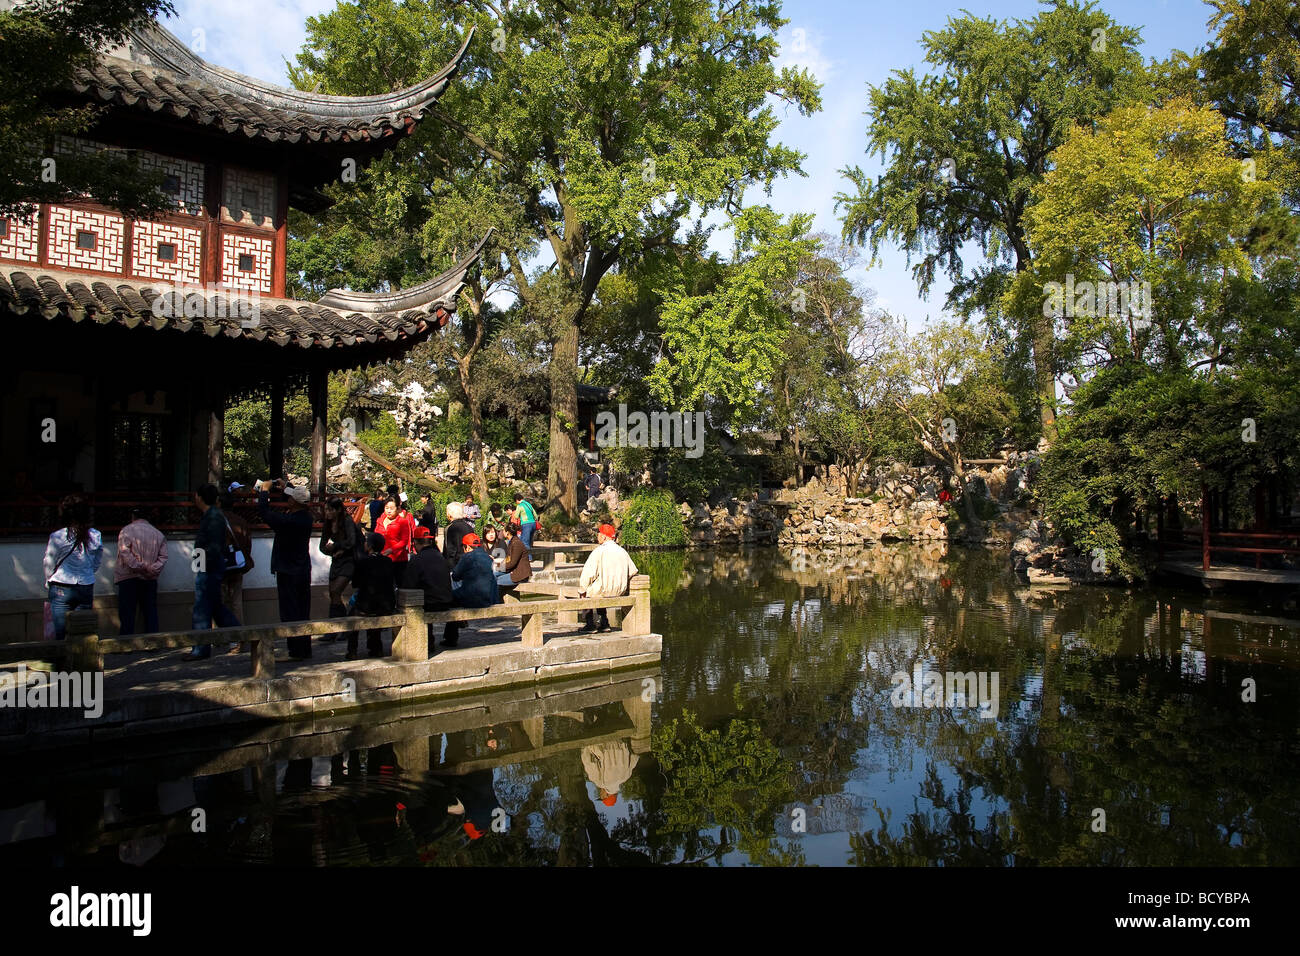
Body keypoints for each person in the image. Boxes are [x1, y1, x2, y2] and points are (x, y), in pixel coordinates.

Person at [256, 479, 314, 659]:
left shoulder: (288, 522)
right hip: (302, 569)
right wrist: (287, 485)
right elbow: (295, 500)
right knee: (303, 611)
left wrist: (264, 492)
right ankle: (304, 649)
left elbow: (265, 512)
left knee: (290, 612)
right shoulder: (307, 518)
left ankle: (295, 651)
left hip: (287, 570)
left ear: (293, 502)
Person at [188, 483, 239, 659]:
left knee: (202, 607)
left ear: (200, 497)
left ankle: (201, 648)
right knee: (215, 607)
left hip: (209, 567)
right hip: (208, 566)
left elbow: (212, 547)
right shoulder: (211, 515)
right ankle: (237, 632)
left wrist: (201, 565)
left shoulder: (214, 517)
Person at [43, 493, 103, 641]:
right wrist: (87, 571)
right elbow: (96, 561)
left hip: (61, 585)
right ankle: (79, 663)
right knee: (82, 632)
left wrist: (48, 579)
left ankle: (61, 663)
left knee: (61, 632)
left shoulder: (58, 536)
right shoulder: (95, 535)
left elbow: (49, 562)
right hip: (86, 585)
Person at [401, 525, 455, 654]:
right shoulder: (440, 557)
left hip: (429, 603)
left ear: (415, 542)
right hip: (446, 600)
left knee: (416, 602)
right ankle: (452, 637)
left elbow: (408, 585)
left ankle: (427, 642)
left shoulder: (416, 560)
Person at [115, 506, 167, 635]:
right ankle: (153, 642)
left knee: (127, 613)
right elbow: (163, 557)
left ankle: (126, 645)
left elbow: (125, 553)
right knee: (150, 611)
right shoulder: (158, 534)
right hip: (149, 578)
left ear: (133, 517)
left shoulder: (126, 531)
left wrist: (140, 566)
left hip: (128, 578)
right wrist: (151, 569)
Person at [578, 523, 638, 633]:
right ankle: (604, 623)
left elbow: (588, 574)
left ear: (604, 537)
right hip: (619, 590)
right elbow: (633, 571)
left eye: (599, 534)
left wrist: (582, 589)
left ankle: (590, 624)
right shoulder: (622, 551)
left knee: (588, 591)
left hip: (605, 590)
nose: (597, 536)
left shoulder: (599, 551)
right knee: (599, 587)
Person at [349, 532, 396, 659]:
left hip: (366, 606)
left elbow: (355, 583)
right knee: (375, 607)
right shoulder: (388, 562)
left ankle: (352, 650)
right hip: (386, 605)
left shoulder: (362, 562)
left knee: (354, 613)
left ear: (369, 546)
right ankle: (376, 648)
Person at [447, 532, 498, 646]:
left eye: (464, 547)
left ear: (468, 547)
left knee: (449, 600)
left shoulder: (467, 557)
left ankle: (451, 637)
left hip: (472, 598)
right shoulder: (488, 557)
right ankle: (459, 623)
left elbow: (455, 576)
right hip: (488, 598)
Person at [219, 490, 254, 652]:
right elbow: (248, 545)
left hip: (220, 567)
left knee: (220, 602)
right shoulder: (241, 521)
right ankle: (238, 640)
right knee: (236, 602)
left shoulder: (217, 521)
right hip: (238, 567)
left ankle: (222, 637)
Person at [320, 497, 360, 642]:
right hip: (336, 560)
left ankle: (344, 626)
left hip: (349, 560)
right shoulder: (328, 524)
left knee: (336, 591)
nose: (327, 513)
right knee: (333, 594)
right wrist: (331, 551)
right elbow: (322, 545)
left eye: (330, 510)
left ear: (337, 510)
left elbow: (352, 541)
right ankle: (336, 628)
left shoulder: (347, 521)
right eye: (326, 510)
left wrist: (338, 547)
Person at [376, 495, 415, 576]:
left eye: (392, 508)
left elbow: (404, 541)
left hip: (398, 559)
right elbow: (376, 536)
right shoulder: (379, 520)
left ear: (397, 508)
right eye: (386, 508)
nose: (389, 511)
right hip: (381, 558)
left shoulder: (403, 522)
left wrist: (391, 550)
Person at [495, 522, 532, 589]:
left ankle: (495, 598)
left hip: (520, 574)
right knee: (492, 574)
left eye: (503, 530)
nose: (502, 532)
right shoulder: (512, 541)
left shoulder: (516, 543)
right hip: (512, 571)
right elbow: (508, 559)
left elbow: (512, 563)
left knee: (495, 580)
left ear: (507, 532)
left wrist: (499, 567)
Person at [442, 501, 475, 570]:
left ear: (449, 515)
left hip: (455, 565)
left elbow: (449, 550)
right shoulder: (469, 527)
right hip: (468, 563)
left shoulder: (449, 528)